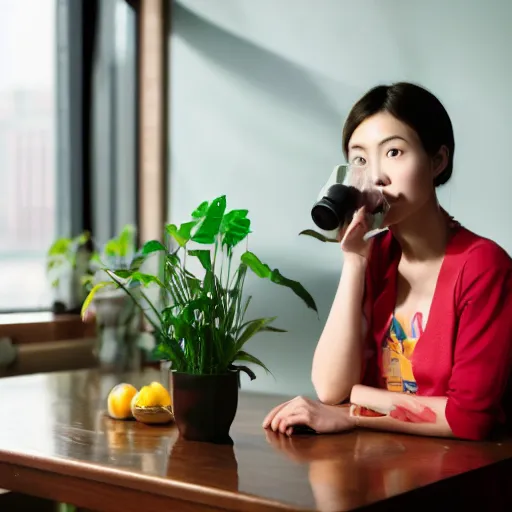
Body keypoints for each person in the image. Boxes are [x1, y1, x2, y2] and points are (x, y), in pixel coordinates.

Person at [263, 82, 512, 441]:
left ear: (438, 161)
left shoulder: (484, 267)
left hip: (461, 478)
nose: (376, 176)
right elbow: (332, 388)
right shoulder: (375, 256)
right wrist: (353, 261)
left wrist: (357, 408)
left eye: (394, 152)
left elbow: (470, 418)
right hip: (376, 469)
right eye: (360, 159)